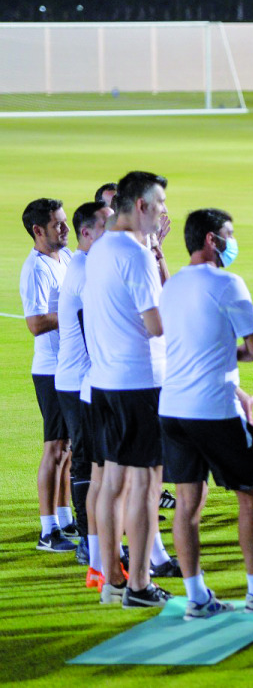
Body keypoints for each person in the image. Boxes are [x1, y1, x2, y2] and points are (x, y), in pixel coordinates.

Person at [158, 208, 253, 619]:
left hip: (172, 408)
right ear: (212, 240)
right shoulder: (227, 282)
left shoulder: (172, 285)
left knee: (187, 501)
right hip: (212, 407)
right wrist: (232, 356)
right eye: (229, 235)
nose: (232, 243)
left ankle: (196, 596)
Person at [86, 171, 175, 608]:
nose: (162, 215)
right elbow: (156, 325)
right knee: (146, 484)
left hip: (104, 382)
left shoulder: (101, 247)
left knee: (112, 483)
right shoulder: (136, 255)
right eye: (159, 206)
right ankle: (139, 584)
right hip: (139, 382)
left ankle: (112, 580)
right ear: (141, 206)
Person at [55, 202, 111, 580]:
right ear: (87, 232)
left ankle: (99, 538)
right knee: (87, 460)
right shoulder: (85, 271)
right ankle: (88, 543)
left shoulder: (90, 266)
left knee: (98, 460)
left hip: (85, 379)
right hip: (79, 382)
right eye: (108, 225)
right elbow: (94, 334)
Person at [22, 198, 76, 552]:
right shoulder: (36, 269)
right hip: (51, 369)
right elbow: (35, 323)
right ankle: (47, 531)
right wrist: (73, 312)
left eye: (65, 221)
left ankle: (65, 517)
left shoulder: (67, 258)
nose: (65, 228)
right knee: (54, 448)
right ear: (38, 230)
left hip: (69, 366)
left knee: (69, 448)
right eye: (58, 224)